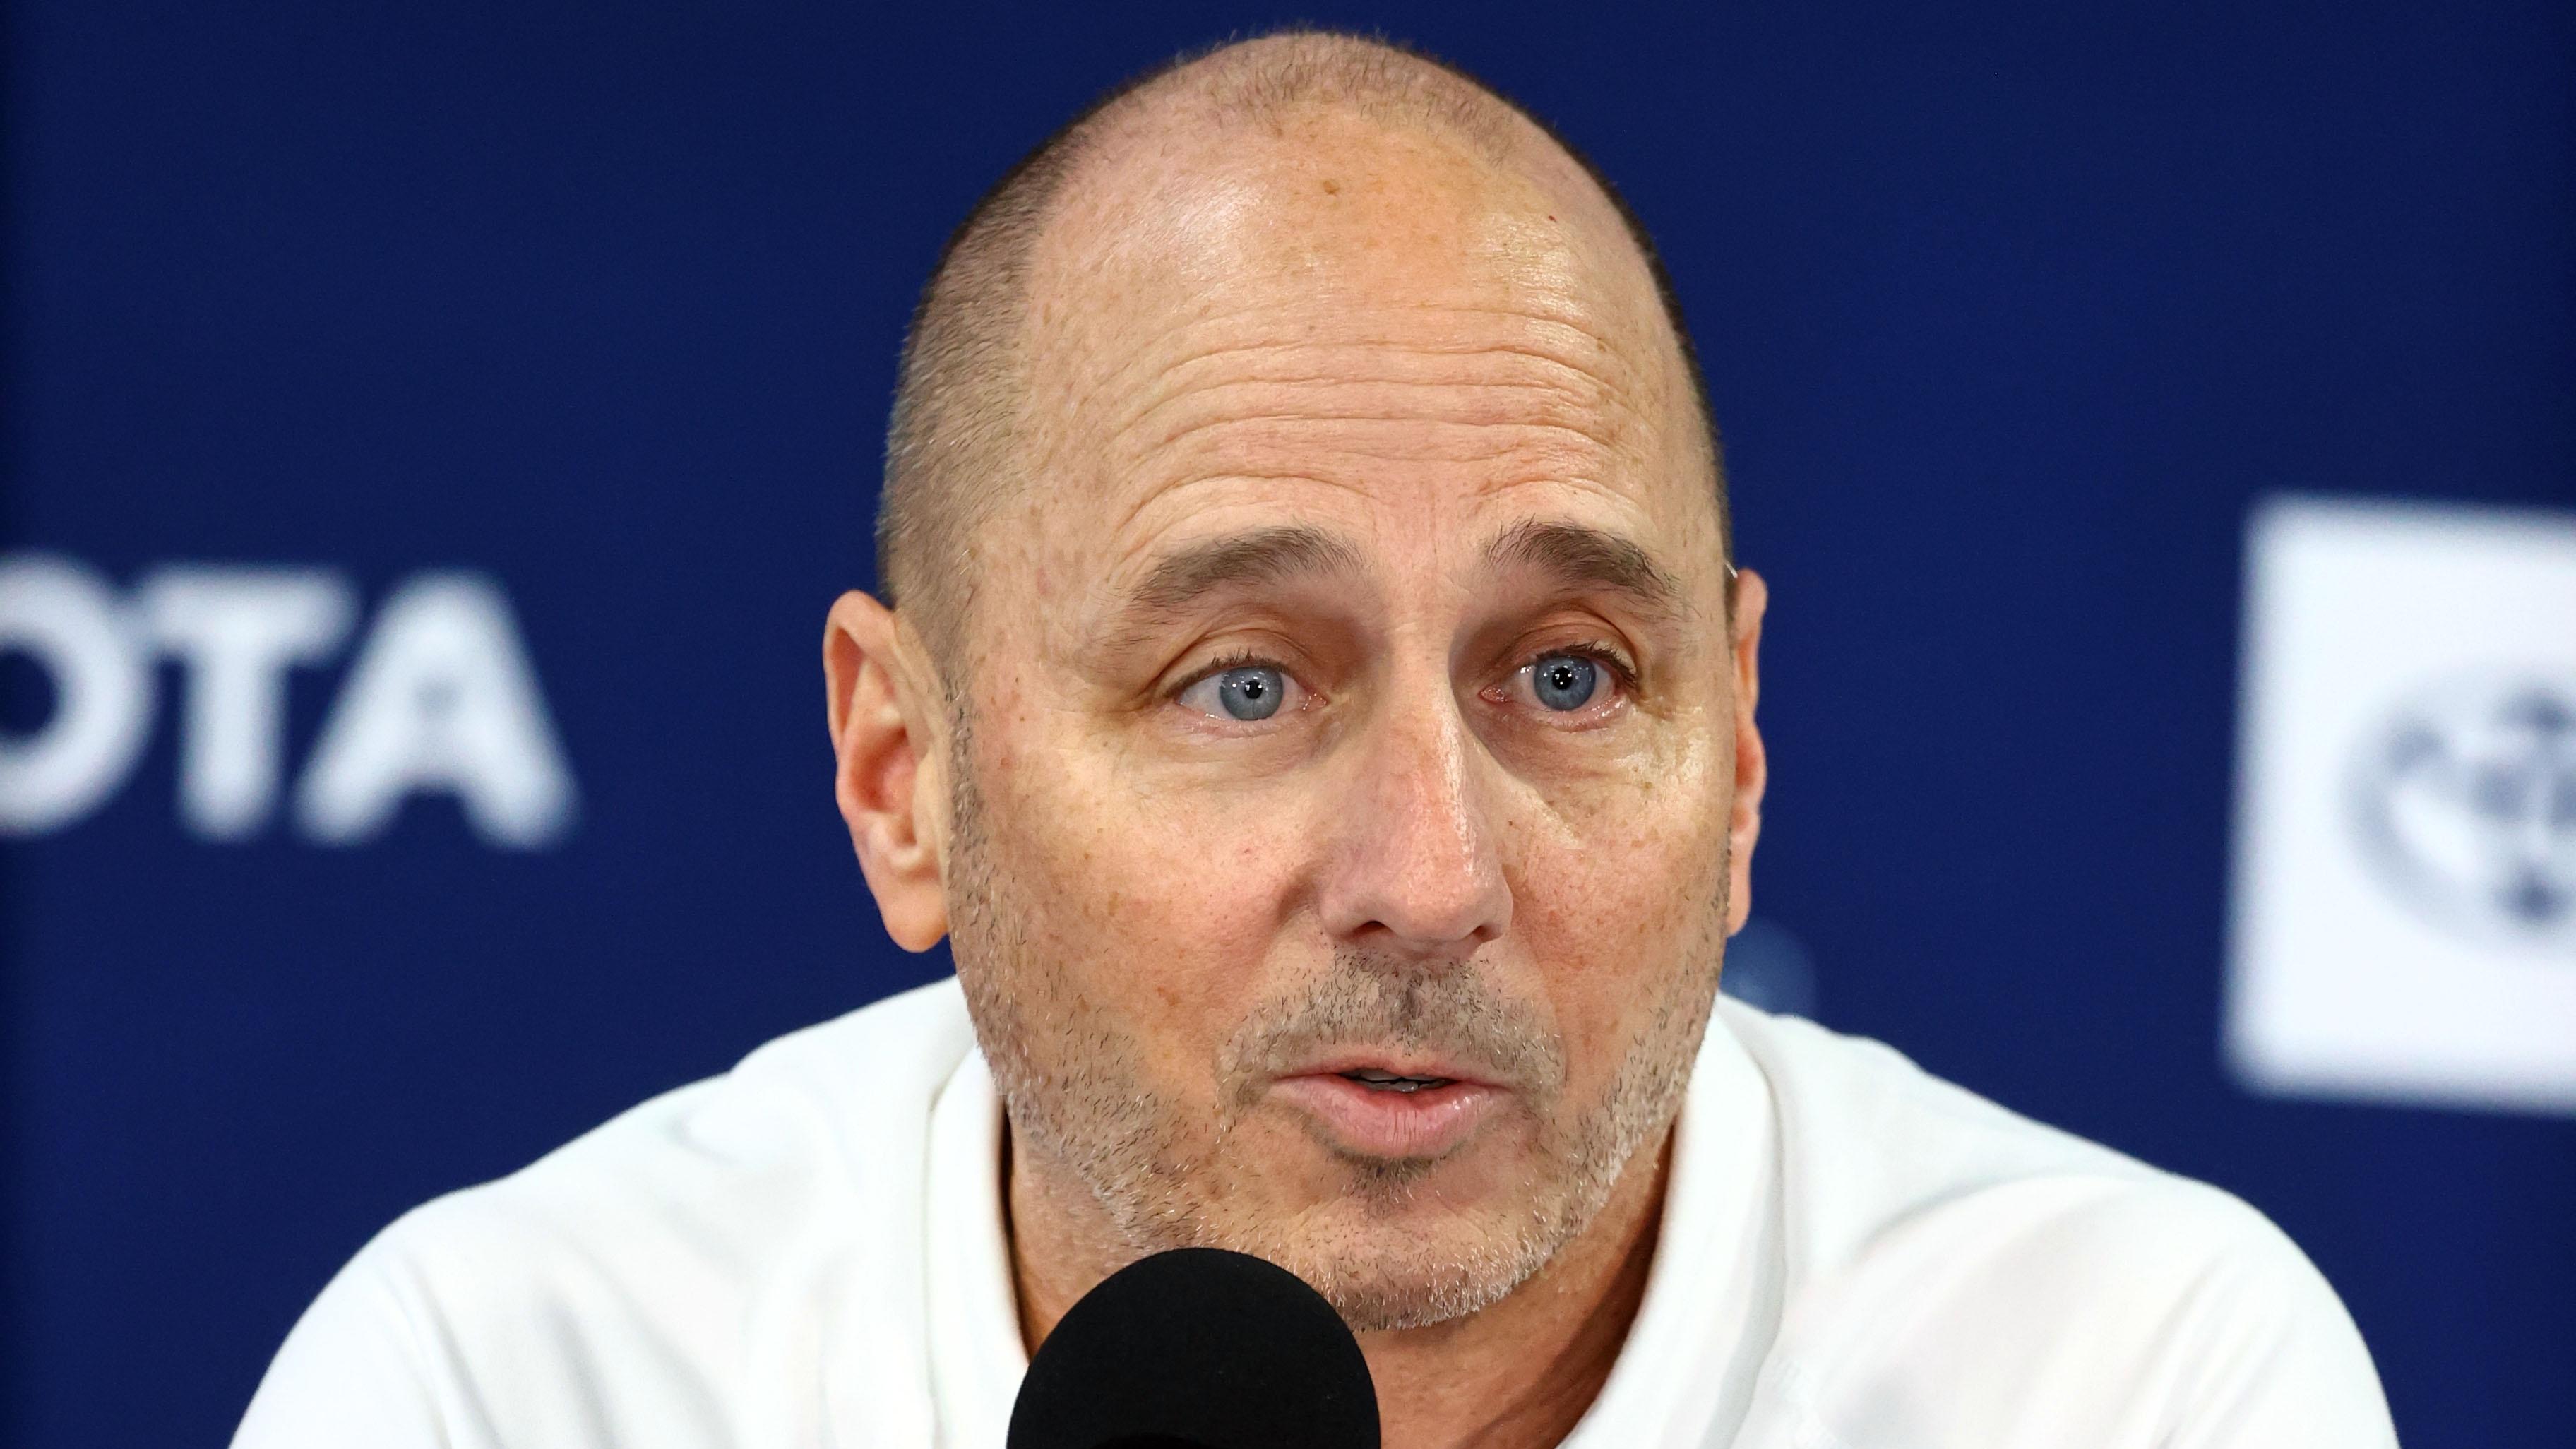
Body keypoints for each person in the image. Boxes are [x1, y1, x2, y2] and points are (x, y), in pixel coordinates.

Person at [234, 30, 2397, 1449]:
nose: (1432, 874)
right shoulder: (514, 1387)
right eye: (1244, 684)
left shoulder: (2136, 1382)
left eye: (1566, 675)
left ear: (1737, 762)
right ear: (906, 775)